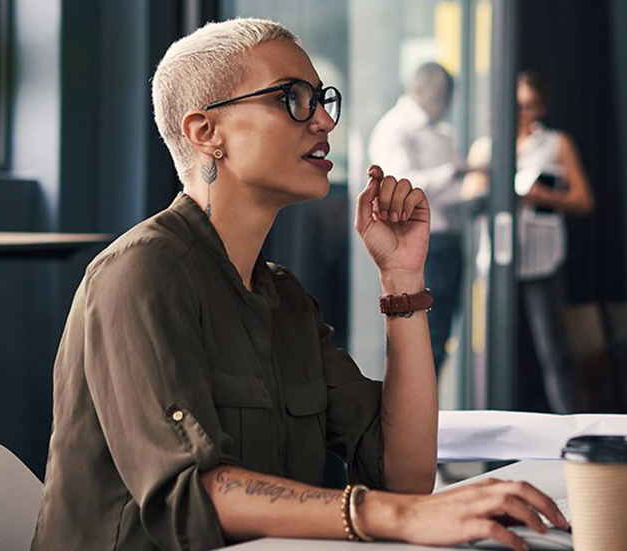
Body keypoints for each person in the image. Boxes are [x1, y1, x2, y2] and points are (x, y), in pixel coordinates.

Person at [31, 19, 567, 551]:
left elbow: (403, 475)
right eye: (293, 98)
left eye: (323, 99)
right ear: (205, 132)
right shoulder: (139, 272)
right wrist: (392, 516)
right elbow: (188, 495)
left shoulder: (285, 298)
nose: (325, 121)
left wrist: (403, 283)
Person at [464, 70, 595, 414]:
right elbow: (469, 201)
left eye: (531, 105)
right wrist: (496, 190)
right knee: (492, 351)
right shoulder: (486, 147)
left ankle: (568, 427)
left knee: (553, 352)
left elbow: (583, 201)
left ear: (541, 107)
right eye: (518, 105)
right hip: (497, 259)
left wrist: (544, 195)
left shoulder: (556, 144)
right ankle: (488, 422)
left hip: (540, 257)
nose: (524, 112)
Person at [368, 62, 467, 374]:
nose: (446, 101)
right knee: (423, 338)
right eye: (441, 93)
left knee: (441, 338)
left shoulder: (442, 133)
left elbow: (452, 192)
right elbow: (401, 187)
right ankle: (414, 419)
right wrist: (454, 173)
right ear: (418, 89)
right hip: (421, 248)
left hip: (448, 244)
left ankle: (426, 418)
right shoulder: (395, 129)